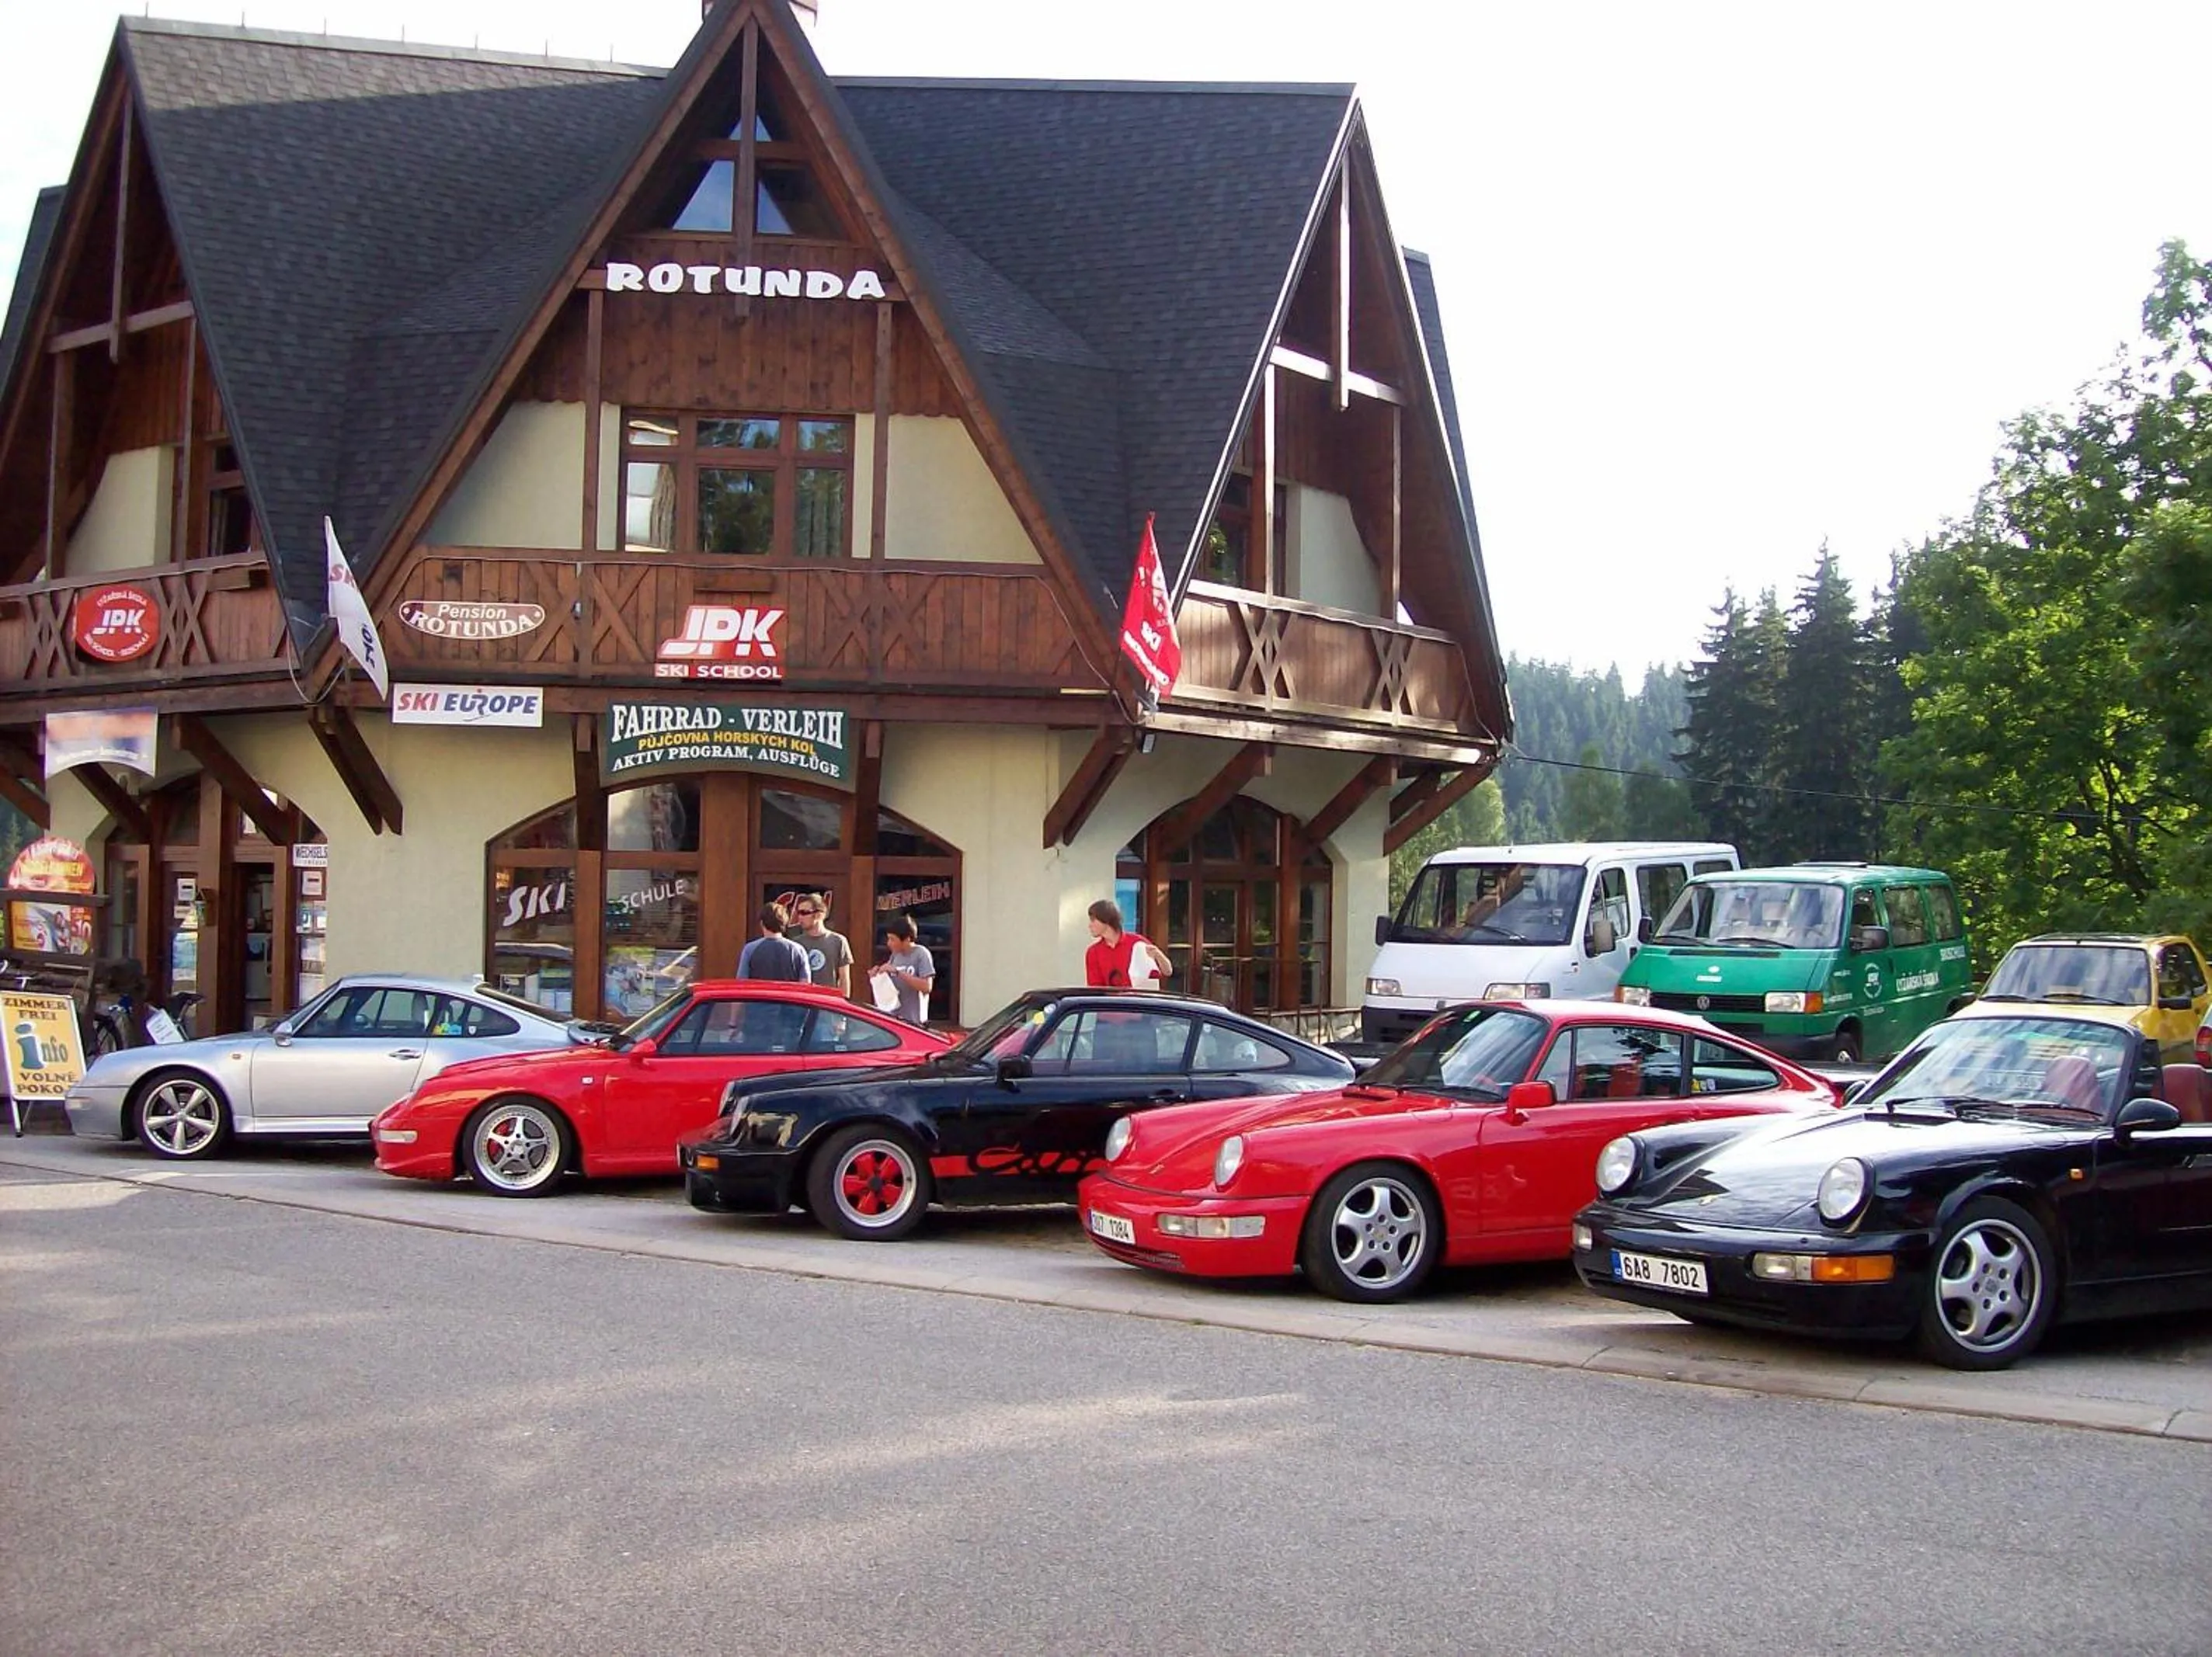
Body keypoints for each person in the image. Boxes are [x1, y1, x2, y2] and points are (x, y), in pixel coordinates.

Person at [1084, 899, 1171, 989]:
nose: (1090, 925)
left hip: (1138, 1001)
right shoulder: (1093, 952)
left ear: (1106, 920)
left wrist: (1158, 954)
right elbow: (1096, 990)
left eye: (1093, 920)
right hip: (1110, 1002)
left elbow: (1168, 971)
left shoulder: (1137, 943)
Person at [874, 913, 935, 1024]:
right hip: (894, 1019)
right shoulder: (895, 955)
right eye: (888, 939)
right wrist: (877, 974)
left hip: (914, 1022)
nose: (889, 944)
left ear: (907, 939)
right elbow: (889, 980)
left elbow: (927, 987)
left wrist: (898, 972)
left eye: (892, 940)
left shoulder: (921, 954)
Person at [789, 893, 853, 996]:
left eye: (804, 913)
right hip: (803, 1002)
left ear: (819, 915)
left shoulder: (839, 941)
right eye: (798, 913)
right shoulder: (796, 944)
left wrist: (843, 1003)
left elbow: (844, 978)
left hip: (828, 1003)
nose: (800, 917)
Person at [736, 902, 810, 982]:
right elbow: (805, 983)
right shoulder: (798, 950)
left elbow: (742, 982)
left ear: (762, 923)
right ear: (784, 923)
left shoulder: (750, 949)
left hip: (759, 994)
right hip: (788, 994)